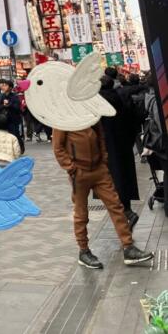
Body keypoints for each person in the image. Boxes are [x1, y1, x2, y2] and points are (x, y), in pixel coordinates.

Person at [52, 119, 153, 269]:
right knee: (81, 213)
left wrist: (104, 160)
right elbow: (58, 147)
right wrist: (72, 168)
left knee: (116, 205)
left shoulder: (91, 113)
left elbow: (100, 135)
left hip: (99, 169)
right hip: (79, 172)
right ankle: (84, 251)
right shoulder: (63, 119)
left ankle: (128, 247)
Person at [99, 75, 140, 227]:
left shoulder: (97, 105)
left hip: (105, 148)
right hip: (123, 147)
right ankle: (127, 210)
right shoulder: (122, 99)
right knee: (123, 179)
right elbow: (134, 123)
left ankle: (124, 216)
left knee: (108, 183)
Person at [0, 79, 24, 153]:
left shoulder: (14, 96)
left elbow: (17, 107)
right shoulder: (2, 96)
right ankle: (10, 150)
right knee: (6, 136)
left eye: (6, 85)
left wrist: (8, 104)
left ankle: (20, 147)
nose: (3, 87)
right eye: (3, 85)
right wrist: (3, 105)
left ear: (10, 87)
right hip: (4, 120)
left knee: (15, 135)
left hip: (13, 120)